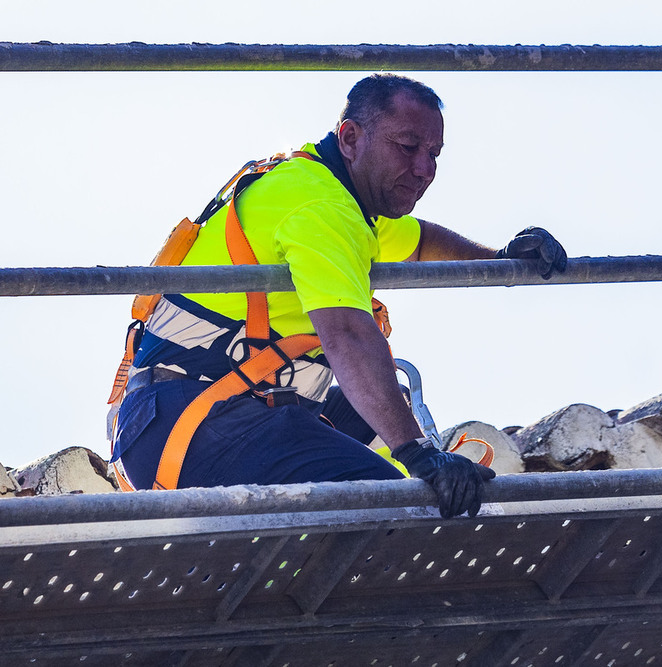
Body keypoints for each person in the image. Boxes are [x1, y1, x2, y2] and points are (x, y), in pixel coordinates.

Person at [108, 73, 567, 518]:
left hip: (183, 414)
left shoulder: (333, 193)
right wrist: (422, 455)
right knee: (404, 505)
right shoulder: (323, 208)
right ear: (350, 138)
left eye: (434, 153)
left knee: (381, 412)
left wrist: (500, 258)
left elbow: (419, 240)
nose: (424, 170)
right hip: (193, 422)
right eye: (407, 147)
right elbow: (347, 333)